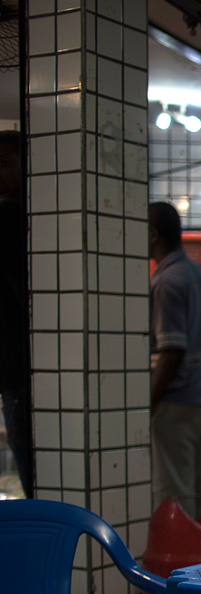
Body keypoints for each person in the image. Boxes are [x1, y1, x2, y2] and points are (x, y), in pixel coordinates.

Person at [149, 201, 201, 518]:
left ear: (152, 234)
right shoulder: (192, 271)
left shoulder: (166, 280)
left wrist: (149, 399)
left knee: (177, 494)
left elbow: (172, 350)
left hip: (176, 401)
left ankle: (185, 565)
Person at [0, 131, 31, 499]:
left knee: (30, 474)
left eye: (5, 164)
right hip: (29, 371)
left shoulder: (9, 214)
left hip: (16, 373)